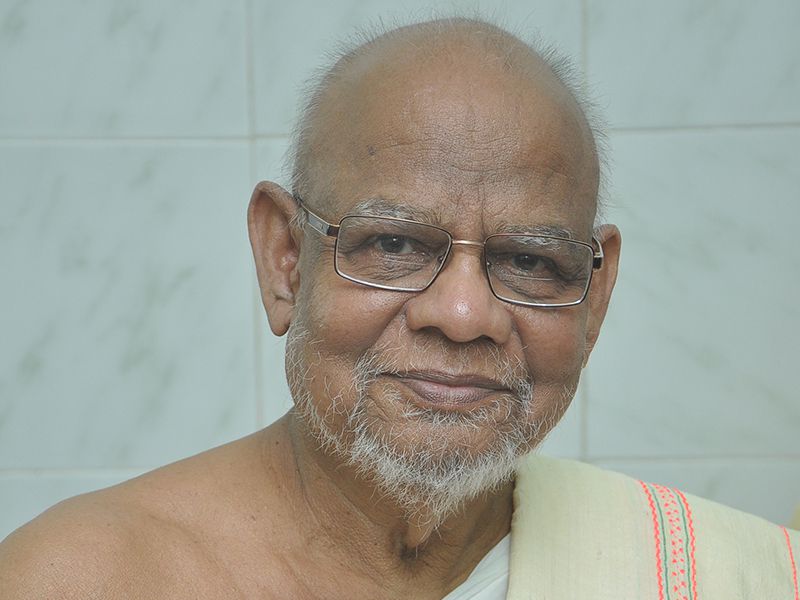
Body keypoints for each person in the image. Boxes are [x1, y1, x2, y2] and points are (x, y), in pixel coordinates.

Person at [1, 17, 797, 600]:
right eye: (394, 245)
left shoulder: (721, 575)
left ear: (595, 297)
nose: (463, 314)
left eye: (529, 261)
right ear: (285, 258)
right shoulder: (84, 579)